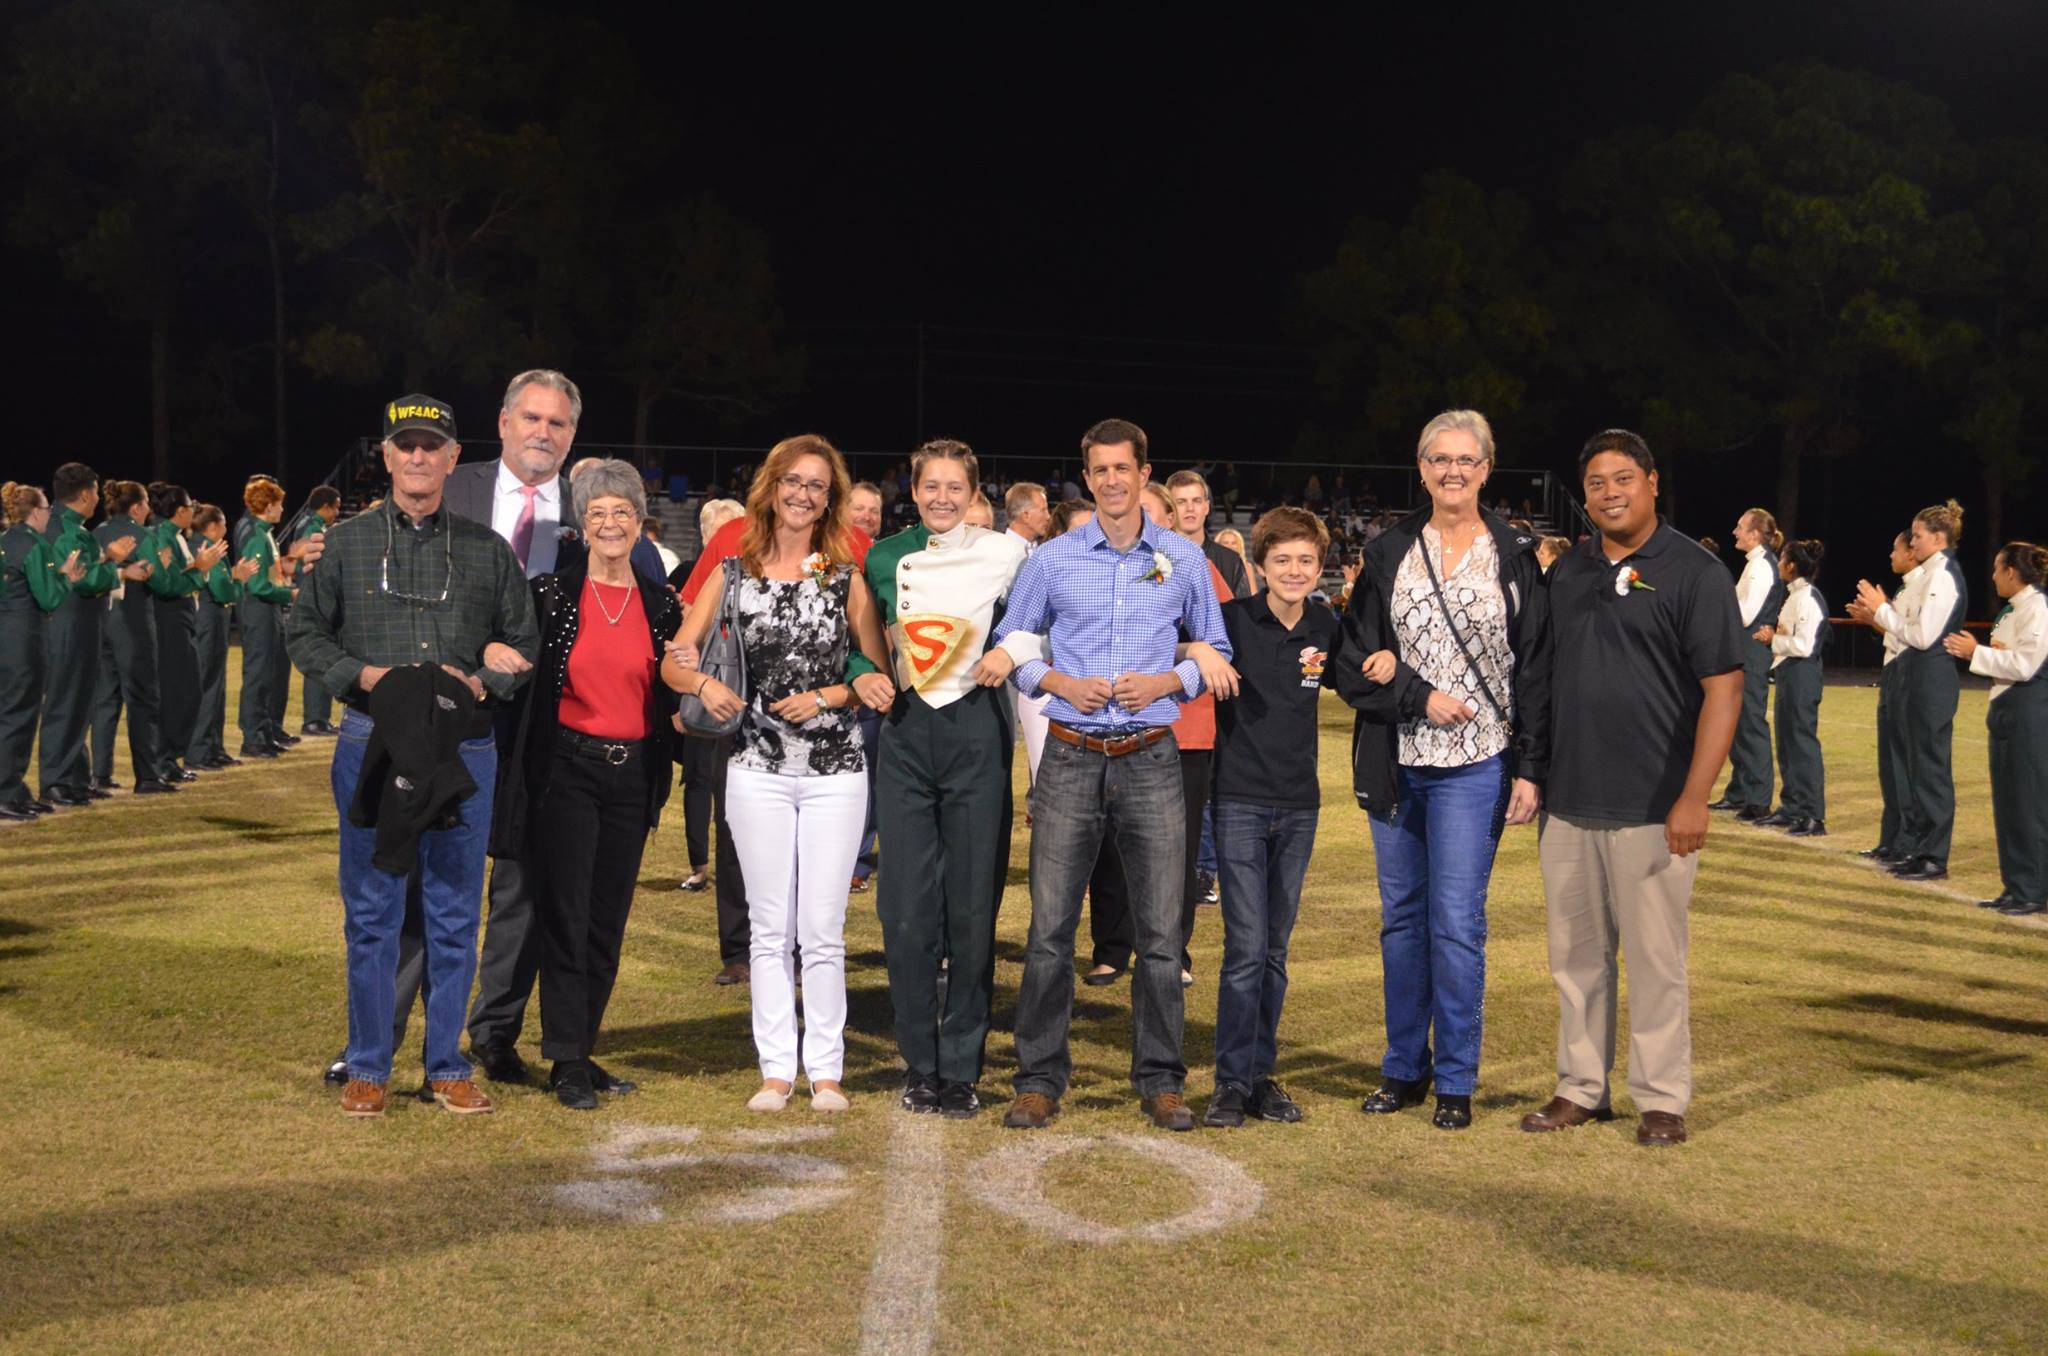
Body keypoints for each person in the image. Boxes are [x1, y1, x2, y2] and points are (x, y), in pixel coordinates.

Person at [286, 392, 539, 1118]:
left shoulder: (487, 550)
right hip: (373, 740)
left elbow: (524, 640)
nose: (419, 457)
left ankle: (446, 1065)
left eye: (433, 447)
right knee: (373, 910)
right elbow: (304, 633)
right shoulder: (344, 544)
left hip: (465, 746)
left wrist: (481, 681)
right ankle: (368, 1064)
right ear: (388, 456)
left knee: (454, 910)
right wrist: (367, 677)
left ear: (453, 458)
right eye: (407, 446)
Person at [994, 417, 1230, 1132]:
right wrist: (1059, 683)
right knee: (1049, 932)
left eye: (1123, 468)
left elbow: (1214, 650)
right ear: (1087, 477)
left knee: (1160, 935)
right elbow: (1013, 642)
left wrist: (1166, 681)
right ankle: (1039, 1079)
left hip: (1152, 757)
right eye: (1099, 470)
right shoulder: (1053, 559)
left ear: (1143, 473)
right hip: (1069, 755)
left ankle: (1161, 1080)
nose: (1112, 480)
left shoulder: (1181, 558)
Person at [1522, 429, 1742, 1148]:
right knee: (1576, 961)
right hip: (1569, 801)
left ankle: (1661, 1098)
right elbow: (1543, 679)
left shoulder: (1696, 571)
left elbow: (1724, 690)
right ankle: (1581, 1087)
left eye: (1622, 478)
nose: (1609, 493)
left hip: (1654, 803)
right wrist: (1536, 774)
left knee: (1655, 961)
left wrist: (1695, 795)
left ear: (1651, 483)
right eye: (1595, 483)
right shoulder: (1570, 570)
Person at [1331, 409, 1550, 1131]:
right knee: (1401, 922)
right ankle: (1404, 1068)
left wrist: (1530, 767)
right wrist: (1415, 694)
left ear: (1486, 469)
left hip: (1477, 766)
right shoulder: (1389, 550)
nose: (1452, 471)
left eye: (1466, 459)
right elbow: (1351, 660)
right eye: (1439, 459)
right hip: (1395, 761)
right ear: (1421, 469)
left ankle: (1456, 1077)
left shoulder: (1515, 555)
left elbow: (1536, 669)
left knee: (1455, 923)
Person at [670, 434, 893, 1113]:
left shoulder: (841, 574)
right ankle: (775, 1070)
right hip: (755, 767)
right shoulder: (732, 571)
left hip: (835, 769)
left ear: (830, 500)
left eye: (817, 486)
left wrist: (829, 696)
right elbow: (675, 659)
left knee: (822, 929)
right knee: (769, 929)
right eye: (793, 481)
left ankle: (826, 1070)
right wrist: (703, 685)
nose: (803, 494)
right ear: (771, 487)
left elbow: (877, 674)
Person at [862, 439, 1035, 1118]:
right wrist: (861, 674)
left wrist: (1009, 650)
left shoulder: (1008, 553)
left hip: (976, 731)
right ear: (913, 491)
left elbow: (1041, 621)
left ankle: (961, 1065)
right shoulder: (882, 555)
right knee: (905, 912)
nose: (941, 498)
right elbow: (856, 637)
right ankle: (919, 1062)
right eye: (929, 486)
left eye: (954, 487)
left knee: (970, 907)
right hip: (906, 735)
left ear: (973, 492)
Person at [509, 459, 684, 1109]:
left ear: (640, 522)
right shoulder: (552, 594)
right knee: (567, 914)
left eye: (622, 512)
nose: (610, 524)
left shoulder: (662, 605)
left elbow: (673, 692)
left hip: (634, 775)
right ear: (581, 526)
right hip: (567, 772)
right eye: (597, 513)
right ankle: (565, 1060)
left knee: (608, 918)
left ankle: (581, 1049)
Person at [439, 369, 584, 1084]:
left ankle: (495, 1033)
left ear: (572, 435)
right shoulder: (451, 488)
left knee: (523, 881)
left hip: (545, 720)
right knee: (430, 872)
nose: (542, 433)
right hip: (449, 705)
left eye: (557, 423)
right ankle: (387, 1032)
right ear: (502, 422)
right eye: (531, 418)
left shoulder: (590, 509)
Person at [1202, 507, 1339, 1127]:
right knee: (1246, 949)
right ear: (1260, 565)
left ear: (1320, 566)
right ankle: (1230, 1082)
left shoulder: (1325, 625)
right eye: (1282, 559)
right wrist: (1196, 649)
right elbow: (1170, 642)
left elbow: (1359, 676)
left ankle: (1259, 1076)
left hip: (1300, 806)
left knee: (1275, 951)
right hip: (1238, 800)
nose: (1294, 570)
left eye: (1305, 560)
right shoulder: (1231, 621)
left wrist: (1387, 664)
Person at [1852, 499, 1968, 882]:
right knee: (1915, 767)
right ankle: (1919, 848)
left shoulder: (1942, 576)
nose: (1912, 543)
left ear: (1938, 537)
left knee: (1930, 769)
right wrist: (1882, 614)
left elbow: (1922, 636)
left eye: (1917, 536)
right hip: (1915, 677)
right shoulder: (1931, 576)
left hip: (1929, 679)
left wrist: (1881, 610)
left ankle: (1933, 855)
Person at [1944, 542, 2048, 915]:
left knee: (2028, 803)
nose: (1992, 576)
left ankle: (2032, 889)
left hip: (2028, 712)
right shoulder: (2015, 609)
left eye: (1996, 569)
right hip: (2007, 708)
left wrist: (1976, 652)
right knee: (2008, 804)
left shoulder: (2038, 609)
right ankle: (2015, 885)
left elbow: (2025, 666)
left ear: (2011, 572)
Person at [36, 464, 130, 807]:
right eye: (96, 492)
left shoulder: (61, 525)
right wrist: (113, 562)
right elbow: (86, 579)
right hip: (71, 622)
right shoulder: (68, 531)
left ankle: (75, 777)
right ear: (87, 494)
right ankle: (55, 781)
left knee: (78, 702)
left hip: (74, 622)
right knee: (66, 701)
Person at [675, 497, 746, 919]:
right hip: (714, 693)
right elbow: (679, 644)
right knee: (706, 785)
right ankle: (701, 864)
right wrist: (693, 686)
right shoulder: (715, 559)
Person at [2, 483, 82, 820]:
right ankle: (5, 793)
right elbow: (48, 598)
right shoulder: (34, 544)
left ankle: (15, 789)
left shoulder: (5, 540)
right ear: (35, 511)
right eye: (47, 507)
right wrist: (66, 579)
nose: (50, 513)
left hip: (6, 632)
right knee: (19, 715)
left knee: (10, 712)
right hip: (25, 636)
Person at [96, 480, 178, 793]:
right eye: (145, 503)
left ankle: (100, 774)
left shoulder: (97, 532)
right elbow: (162, 584)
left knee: (105, 699)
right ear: (136, 507)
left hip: (101, 620)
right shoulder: (143, 535)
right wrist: (165, 567)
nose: (149, 509)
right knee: (143, 698)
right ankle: (148, 775)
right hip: (133, 620)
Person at [144, 482, 224, 783]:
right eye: (190, 506)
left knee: (186, 691)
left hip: (182, 618)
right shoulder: (161, 536)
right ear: (179, 511)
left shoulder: (175, 536)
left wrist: (197, 570)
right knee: (175, 692)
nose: (194, 510)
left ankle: (169, 758)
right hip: (169, 620)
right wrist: (200, 569)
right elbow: (166, 584)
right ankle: (161, 759)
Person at [1711, 509, 1785, 821]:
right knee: (1738, 722)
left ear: (1755, 534)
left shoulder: (1762, 566)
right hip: (1743, 650)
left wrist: (1715, 601)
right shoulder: (1755, 564)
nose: (1735, 531)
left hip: (1751, 651)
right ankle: (1740, 791)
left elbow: (1745, 615)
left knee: (1751, 722)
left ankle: (1758, 798)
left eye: (1740, 527)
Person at [1757, 539, 1828, 836]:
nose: (1778, 564)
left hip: (1802, 673)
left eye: (1782, 558)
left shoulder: (1807, 597)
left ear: (1792, 565)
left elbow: (1805, 645)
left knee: (1802, 745)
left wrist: (1773, 639)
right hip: (1789, 672)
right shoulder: (1795, 595)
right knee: (1787, 744)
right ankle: (1792, 808)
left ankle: (1812, 815)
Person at [1857, 533, 1919, 863]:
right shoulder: (1907, 588)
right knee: (1889, 765)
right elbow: (1898, 635)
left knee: (1903, 765)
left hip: (1906, 675)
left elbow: (1916, 638)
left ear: (1912, 552)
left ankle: (1907, 842)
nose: (1891, 554)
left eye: (1896, 548)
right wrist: (1876, 619)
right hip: (1892, 670)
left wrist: (1881, 612)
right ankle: (1892, 839)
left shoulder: (1922, 586)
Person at [185, 505, 259, 770]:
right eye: (224, 523)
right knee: (208, 685)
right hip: (209, 619)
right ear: (213, 526)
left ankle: (213, 747)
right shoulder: (208, 548)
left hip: (210, 619)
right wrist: (238, 580)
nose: (227, 529)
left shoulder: (198, 544)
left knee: (215, 684)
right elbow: (222, 591)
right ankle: (199, 751)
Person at [235, 476, 297, 760]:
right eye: (280, 504)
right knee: (258, 675)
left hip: (266, 608)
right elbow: (258, 585)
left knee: (268, 674)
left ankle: (265, 733)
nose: (282, 509)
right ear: (269, 505)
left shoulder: (262, 533)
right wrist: (290, 594)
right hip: (259, 609)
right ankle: (253, 738)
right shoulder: (257, 536)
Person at [1004, 481, 1054, 784]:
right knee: (1006, 737)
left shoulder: (1038, 551)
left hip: (1039, 661)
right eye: (1043, 509)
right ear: (1025, 514)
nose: (1048, 516)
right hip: (1007, 659)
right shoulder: (1001, 553)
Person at [296, 487, 344, 736]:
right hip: (316, 600)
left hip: (316, 598)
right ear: (325, 506)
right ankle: (315, 718)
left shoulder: (312, 525)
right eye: (335, 507)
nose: (337, 513)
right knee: (319, 654)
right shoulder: (312, 528)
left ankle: (319, 718)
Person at [1166, 469, 1252, 599]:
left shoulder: (1230, 561)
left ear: (1206, 507)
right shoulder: (1152, 558)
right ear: (1169, 509)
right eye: (1181, 502)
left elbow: (1243, 610)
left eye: (1197, 501)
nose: (1190, 508)